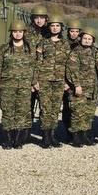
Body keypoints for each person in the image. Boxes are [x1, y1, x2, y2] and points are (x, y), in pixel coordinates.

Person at [0, 19, 36, 148]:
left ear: (24, 33)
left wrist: (33, 82)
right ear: (11, 33)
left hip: (24, 85)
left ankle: (18, 140)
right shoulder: (4, 49)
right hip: (7, 85)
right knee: (7, 111)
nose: (18, 34)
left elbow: (35, 66)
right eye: (15, 32)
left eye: (20, 32)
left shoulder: (30, 49)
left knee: (22, 111)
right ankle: (7, 139)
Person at [35, 12, 71, 147]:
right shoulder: (43, 43)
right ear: (49, 27)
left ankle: (52, 136)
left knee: (55, 108)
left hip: (60, 81)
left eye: (57, 26)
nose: (55, 28)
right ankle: (45, 137)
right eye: (52, 26)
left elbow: (69, 64)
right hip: (44, 79)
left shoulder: (65, 44)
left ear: (61, 27)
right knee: (45, 108)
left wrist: (68, 81)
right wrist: (35, 81)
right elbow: (37, 62)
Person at [65, 28, 98, 145]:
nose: (87, 41)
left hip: (92, 88)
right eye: (85, 38)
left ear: (93, 41)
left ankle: (85, 136)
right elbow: (71, 70)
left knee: (88, 113)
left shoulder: (95, 51)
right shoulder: (75, 51)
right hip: (80, 88)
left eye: (90, 39)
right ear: (81, 39)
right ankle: (75, 137)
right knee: (77, 113)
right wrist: (76, 85)